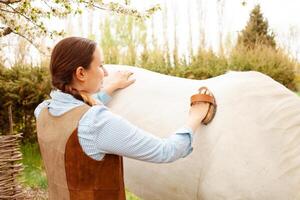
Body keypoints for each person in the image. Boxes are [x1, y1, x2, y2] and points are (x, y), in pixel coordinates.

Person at [34, 37, 216, 200]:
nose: (105, 73)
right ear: (81, 73)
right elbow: (165, 151)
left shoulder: (42, 111)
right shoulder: (96, 122)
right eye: (100, 66)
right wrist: (195, 116)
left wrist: (109, 89)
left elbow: (75, 113)